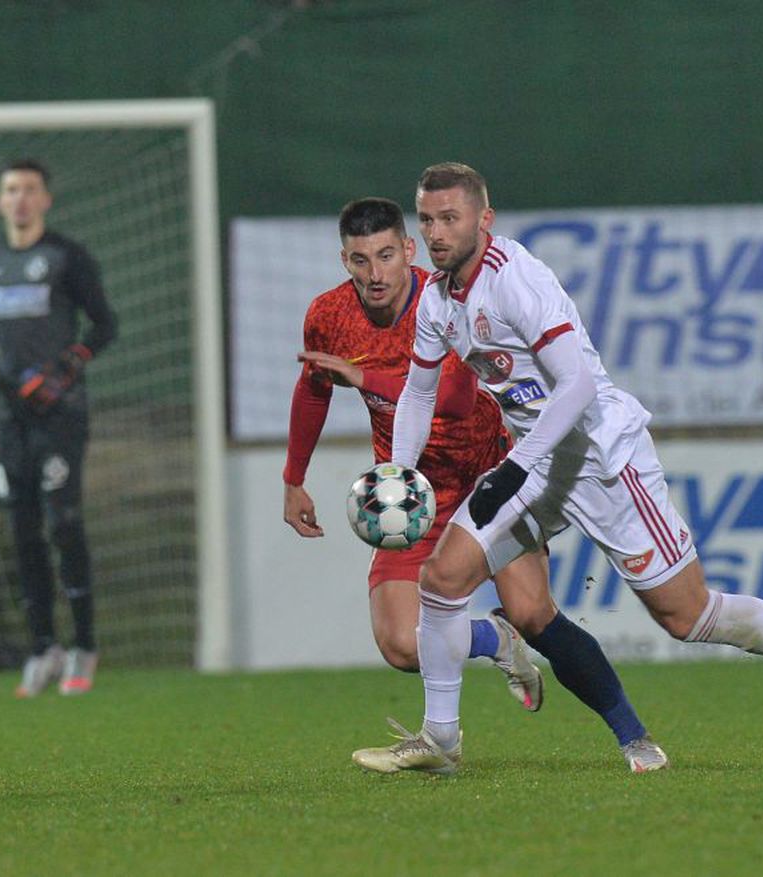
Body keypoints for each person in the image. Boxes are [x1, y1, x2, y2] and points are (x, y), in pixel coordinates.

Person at [352, 163, 763, 776]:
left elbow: (577, 382)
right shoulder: (436, 300)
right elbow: (419, 394)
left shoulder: (516, 281)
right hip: (532, 465)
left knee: (687, 617)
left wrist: (516, 464)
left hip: (602, 458)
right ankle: (440, 739)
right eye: (427, 219)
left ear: (484, 219)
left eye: (451, 218)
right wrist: (397, 471)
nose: (437, 232)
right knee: (443, 579)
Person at [285, 197, 666, 773]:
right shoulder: (330, 316)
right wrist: (294, 477)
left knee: (536, 615)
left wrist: (361, 376)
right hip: (409, 496)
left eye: (386, 255)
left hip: (487, 478)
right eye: (360, 260)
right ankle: (493, 643)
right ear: (345, 261)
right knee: (400, 645)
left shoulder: (441, 299)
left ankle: (633, 736)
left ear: (408, 250)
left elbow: (457, 398)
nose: (375, 273)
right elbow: (313, 387)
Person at [0, 158, 117, 698]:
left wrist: (63, 372)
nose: (21, 199)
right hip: (11, 420)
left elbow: (105, 324)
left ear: (46, 199)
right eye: (11, 190)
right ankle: (41, 648)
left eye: (30, 190)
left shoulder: (65, 255)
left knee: (64, 522)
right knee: (22, 529)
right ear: (0, 200)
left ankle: (83, 644)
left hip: (60, 414)